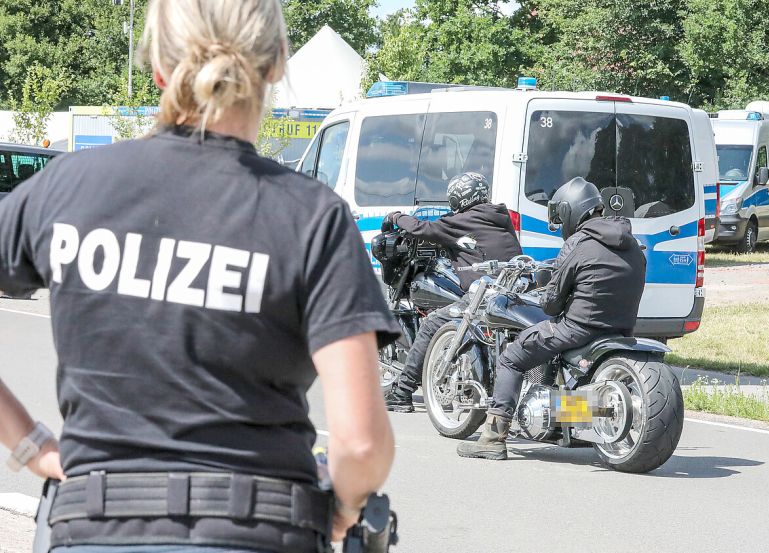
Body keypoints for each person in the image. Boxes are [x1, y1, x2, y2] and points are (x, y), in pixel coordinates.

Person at [0, 0, 400, 551]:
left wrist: (29, 443)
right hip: (259, 530)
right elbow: (359, 445)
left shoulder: (64, 188)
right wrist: (346, 507)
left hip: (92, 526)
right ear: (277, 62)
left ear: (159, 68)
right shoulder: (310, 216)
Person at [457, 177, 646, 460]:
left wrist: (546, 292)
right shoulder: (633, 243)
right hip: (620, 329)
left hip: (578, 329)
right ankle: (572, 414)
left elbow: (551, 304)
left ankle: (493, 437)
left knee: (510, 356)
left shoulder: (578, 243)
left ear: (570, 212)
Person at [382, 172, 522, 412]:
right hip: (515, 290)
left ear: (458, 200)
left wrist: (396, 217)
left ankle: (402, 392)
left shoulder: (461, 222)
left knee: (431, 324)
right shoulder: (499, 216)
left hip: (484, 295)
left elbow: (421, 228)